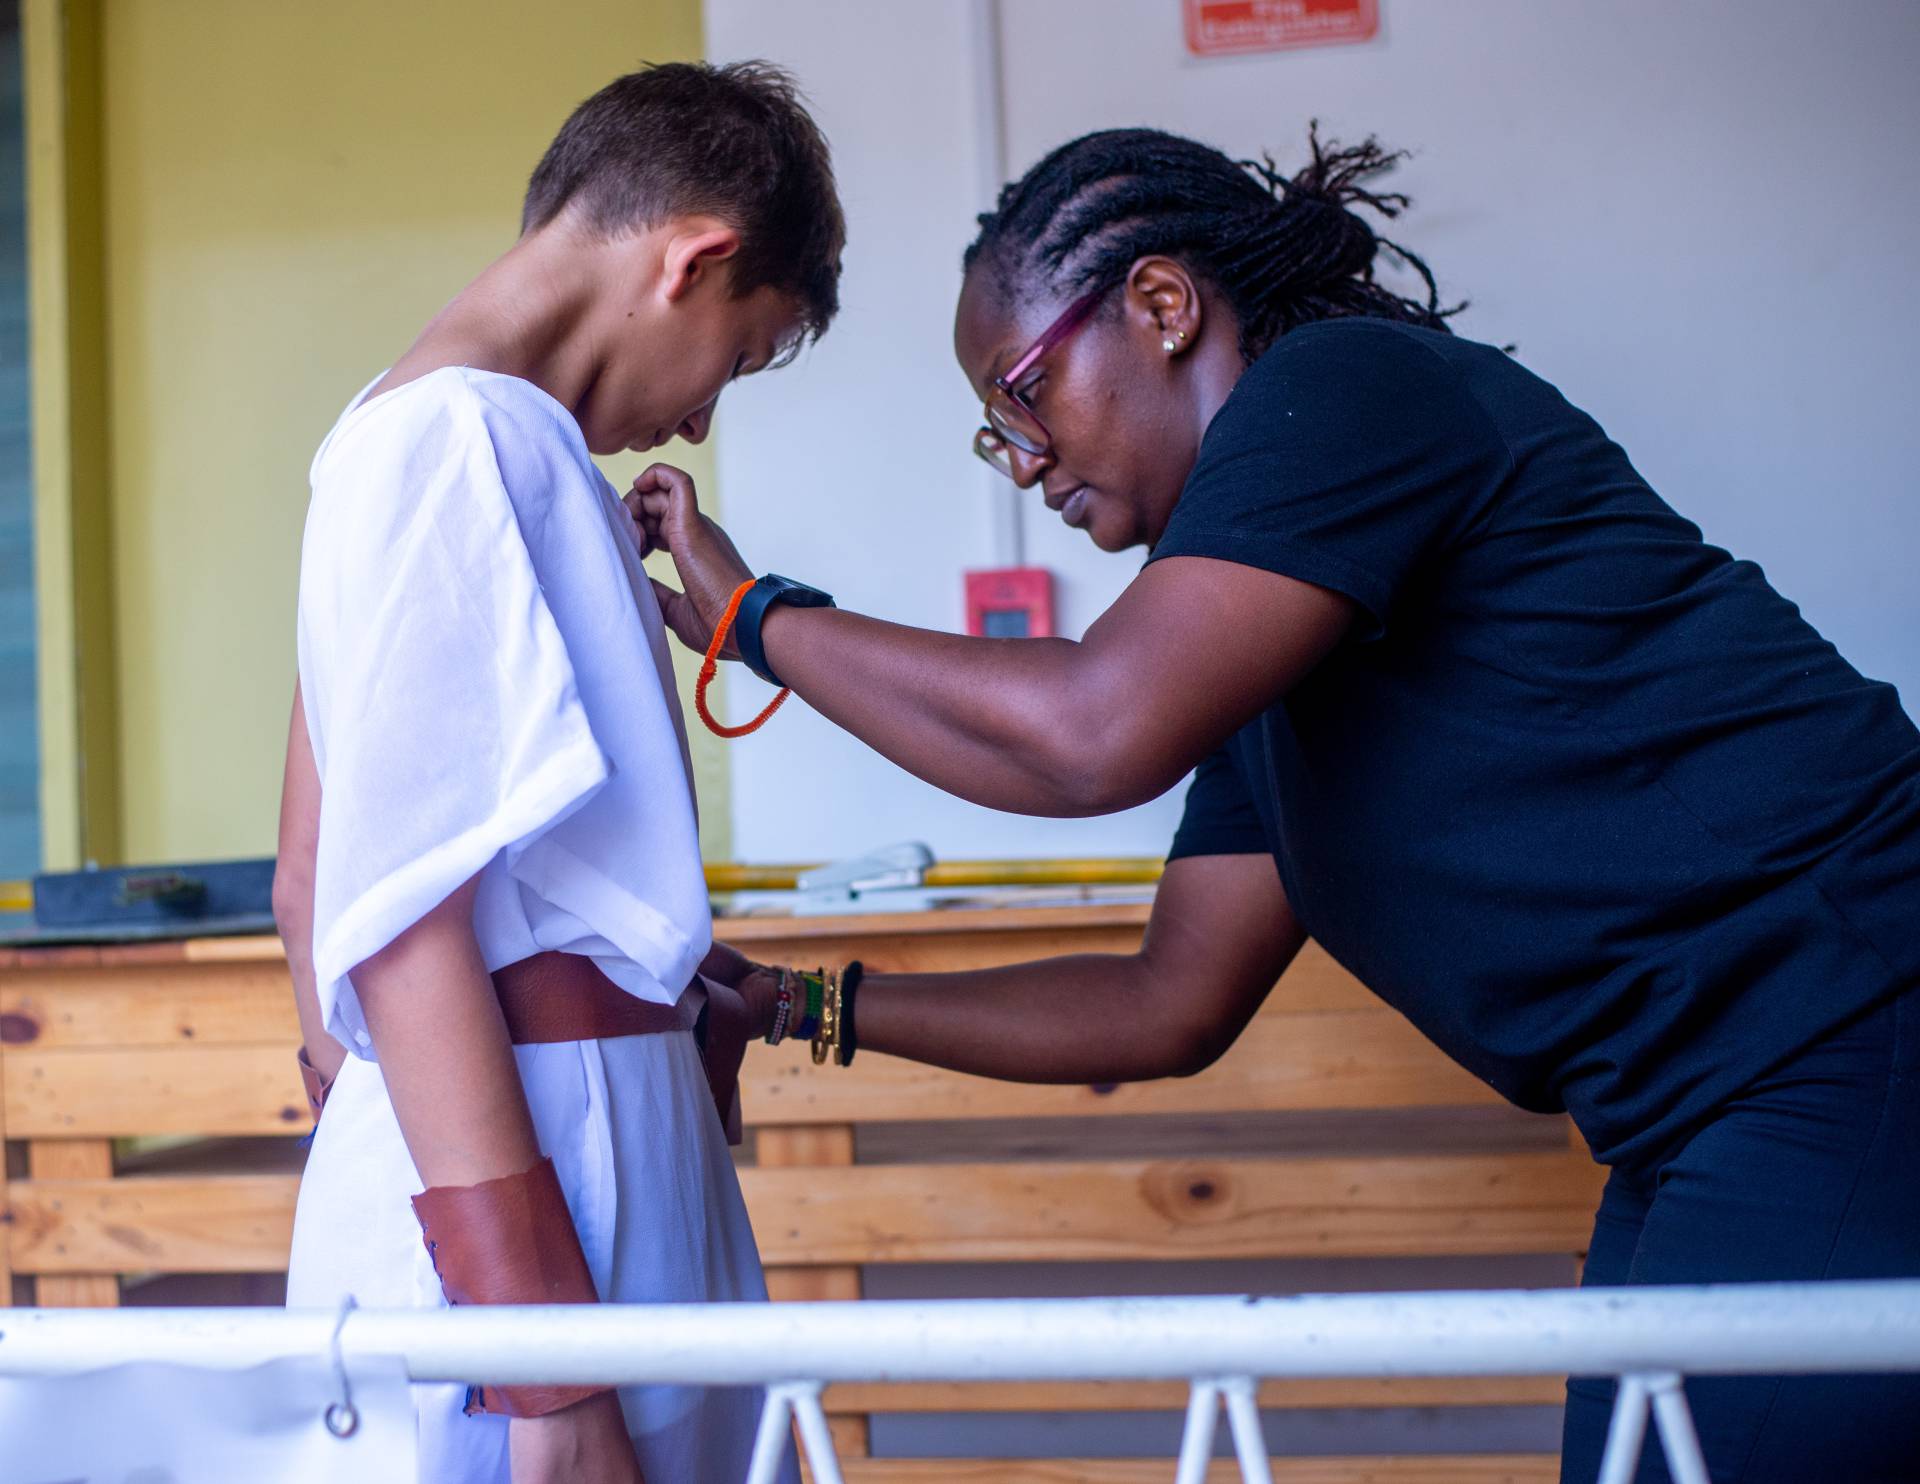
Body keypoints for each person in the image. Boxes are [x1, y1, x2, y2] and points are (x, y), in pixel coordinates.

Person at [633, 126, 1920, 1483]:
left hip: (1847, 1020)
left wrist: (758, 619)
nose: (1024, 461)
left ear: (1163, 306)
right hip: (1699, 1105)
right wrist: (795, 1004)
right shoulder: (1274, 649)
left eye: (1025, 394)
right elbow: (1163, 1005)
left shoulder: (1346, 388)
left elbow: (1088, 738)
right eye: (998, 432)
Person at [272, 62, 842, 1484]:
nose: (701, 421)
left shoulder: (429, 438)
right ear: (693, 260)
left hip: (563, 1138)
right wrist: (541, 1360)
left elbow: (307, 874)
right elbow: (395, 922)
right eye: (740, 358)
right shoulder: (450, 440)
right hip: (543, 1166)